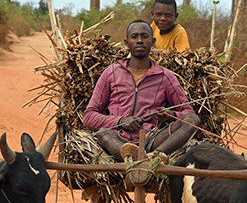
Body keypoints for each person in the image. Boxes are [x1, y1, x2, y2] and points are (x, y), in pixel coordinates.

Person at [82, 20, 200, 161]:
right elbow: (88, 117)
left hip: (154, 140)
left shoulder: (165, 76)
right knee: (103, 133)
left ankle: (154, 157)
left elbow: (188, 112)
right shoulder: (111, 73)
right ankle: (132, 157)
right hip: (118, 140)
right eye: (134, 37)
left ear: (152, 41)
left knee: (192, 120)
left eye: (144, 36)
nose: (139, 40)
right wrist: (121, 121)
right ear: (126, 42)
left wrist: (172, 115)